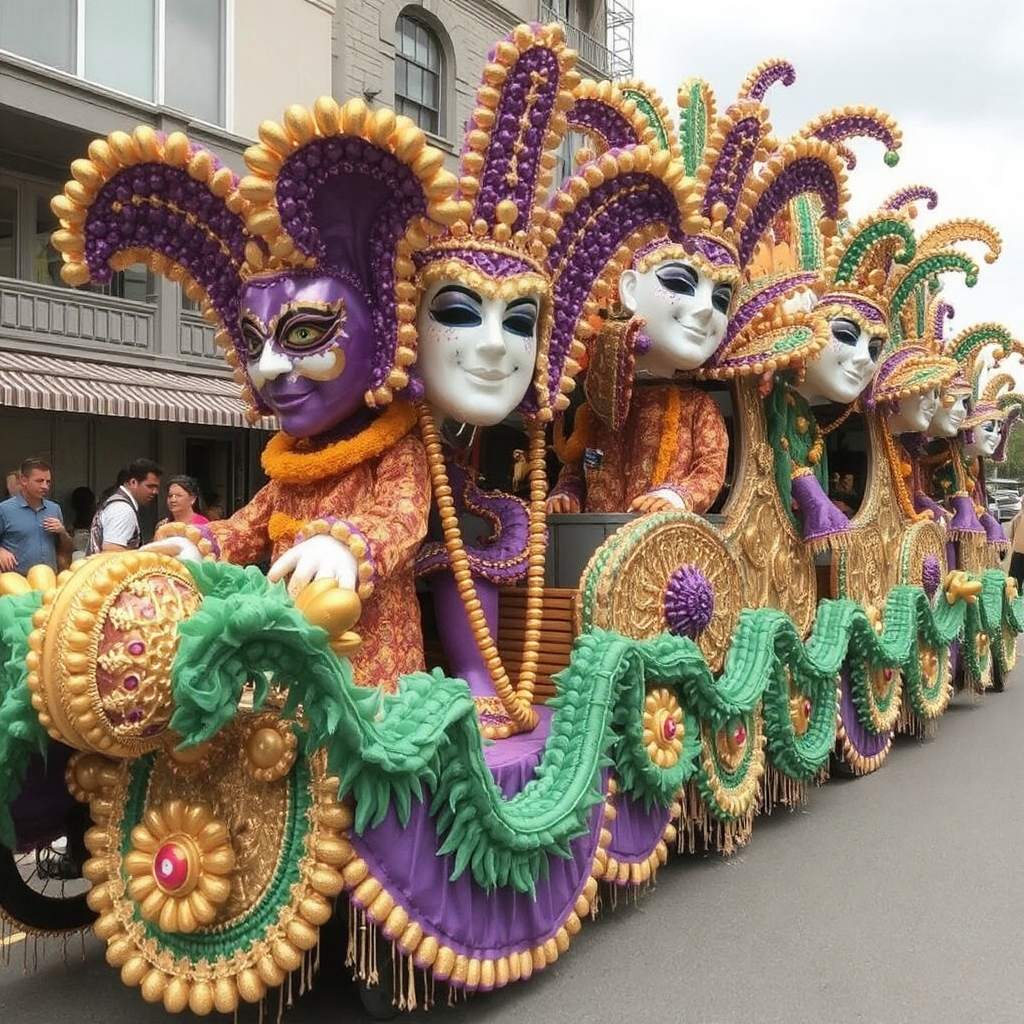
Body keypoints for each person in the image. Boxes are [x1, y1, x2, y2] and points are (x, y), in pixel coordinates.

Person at [0, 458, 72, 573]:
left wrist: (62, 532)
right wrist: (1, 551)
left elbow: (66, 549)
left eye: (48, 481)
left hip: (48, 581)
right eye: (39, 481)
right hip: (16, 582)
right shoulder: (4, 509)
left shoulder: (54, 509)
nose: (45, 486)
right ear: (23, 480)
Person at [86, 458, 162, 554]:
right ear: (133, 482)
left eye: (157, 487)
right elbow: (111, 551)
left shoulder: (118, 503)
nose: (155, 492)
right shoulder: (122, 509)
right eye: (150, 486)